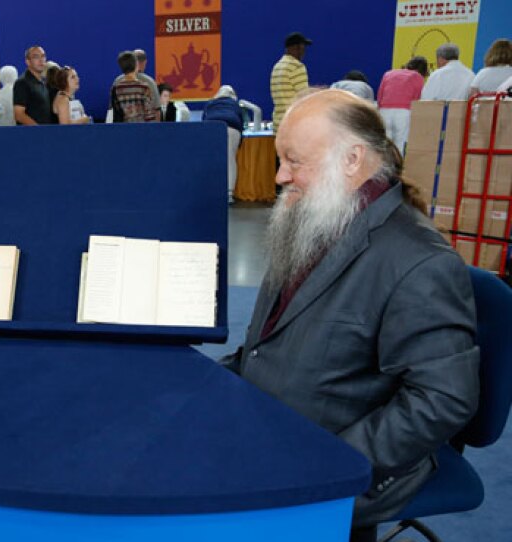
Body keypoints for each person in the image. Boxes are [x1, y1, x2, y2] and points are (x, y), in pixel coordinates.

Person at [222, 89, 479, 542]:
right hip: (271, 430)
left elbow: (443, 399)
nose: (281, 176)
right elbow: (272, 338)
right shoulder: (317, 219)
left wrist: (330, 462)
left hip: (339, 463)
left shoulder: (420, 262)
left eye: (294, 161)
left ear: (352, 160)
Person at [202, 85, 244, 203]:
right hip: (231, 127)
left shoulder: (210, 103)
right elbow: (241, 122)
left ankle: (211, 190)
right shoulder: (235, 104)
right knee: (231, 160)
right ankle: (229, 194)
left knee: (212, 160)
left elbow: (203, 119)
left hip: (212, 127)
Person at [377, 56, 427, 155]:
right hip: (404, 112)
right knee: (400, 143)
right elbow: (418, 98)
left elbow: (380, 95)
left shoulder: (389, 73)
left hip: (384, 110)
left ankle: (383, 168)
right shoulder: (418, 77)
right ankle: (397, 168)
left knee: (385, 143)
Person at [270, 32, 312, 130]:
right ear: (295, 48)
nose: (304, 51)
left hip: (278, 123)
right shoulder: (296, 66)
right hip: (294, 124)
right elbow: (304, 96)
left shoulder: (277, 66)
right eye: (303, 47)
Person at [110, 50, 157, 123]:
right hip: (142, 130)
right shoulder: (144, 87)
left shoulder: (116, 89)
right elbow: (149, 115)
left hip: (124, 130)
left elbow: (116, 115)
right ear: (136, 65)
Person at [13, 45, 52, 125]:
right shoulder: (22, 83)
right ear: (28, 62)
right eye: (36, 57)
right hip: (31, 135)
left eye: (43, 56)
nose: (41, 60)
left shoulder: (43, 82)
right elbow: (19, 115)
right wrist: (38, 130)